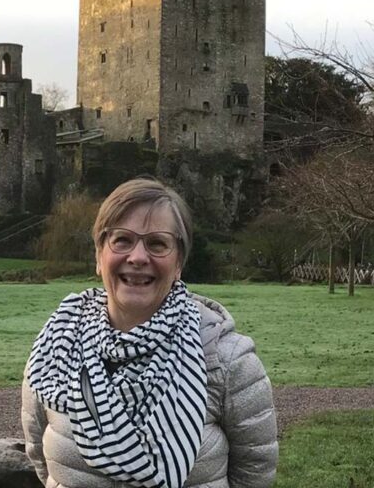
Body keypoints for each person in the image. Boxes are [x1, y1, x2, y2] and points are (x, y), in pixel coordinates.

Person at [22, 179, 278, 488]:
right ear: (99, 255)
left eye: (157, 243)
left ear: (179, 262)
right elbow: (39, 456)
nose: (138, 257)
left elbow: (254, 474)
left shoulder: (227, 361)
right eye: (122, 240)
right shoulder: (58, 346)